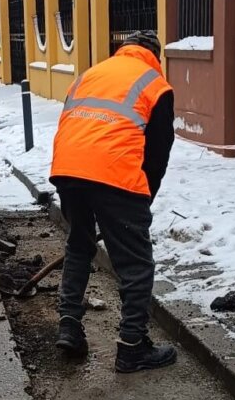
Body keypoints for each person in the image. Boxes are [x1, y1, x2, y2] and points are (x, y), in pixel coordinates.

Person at [49, 30, 177, 373]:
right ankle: (132, 347)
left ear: (123, 50)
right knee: (136, 264)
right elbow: (157, 154)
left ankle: (69, 327)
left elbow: (70, 125)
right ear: (155, 56)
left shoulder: (90, 74)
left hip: (66, 169)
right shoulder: (155, 84)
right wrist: (142, 199)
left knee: (79, 245)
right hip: (114, 173)